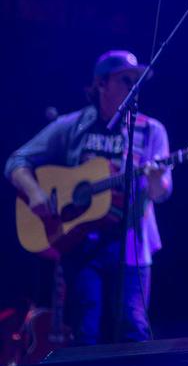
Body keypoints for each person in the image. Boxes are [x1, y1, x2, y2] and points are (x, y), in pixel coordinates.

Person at [6, 50, 172, 345]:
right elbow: (17, 161)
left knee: (134, 324)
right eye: (125, 80)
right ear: (101, 84)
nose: (134, 88)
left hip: (133, 242)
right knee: (86, 327)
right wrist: (35, 193)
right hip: (81, 244)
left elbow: (160, 195)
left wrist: (156, 177)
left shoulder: (152, 130)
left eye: (137, 81)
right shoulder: (73, 125)